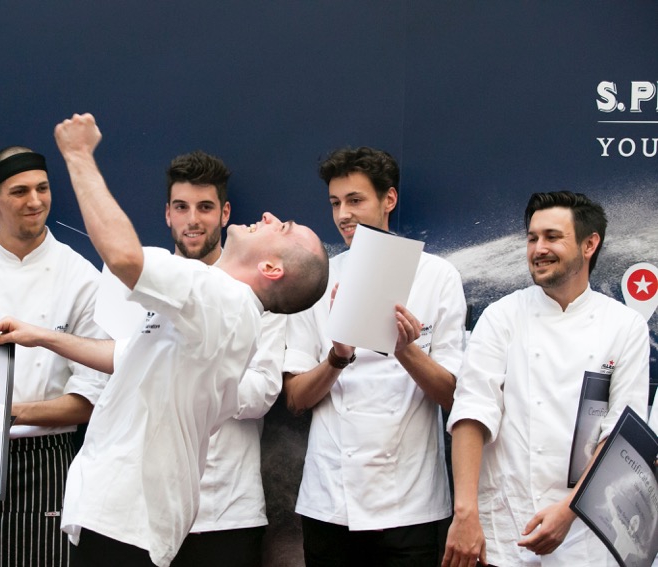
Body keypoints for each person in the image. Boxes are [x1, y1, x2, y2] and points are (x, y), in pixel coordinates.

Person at [0, 112, 329, 567]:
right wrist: (42, 336)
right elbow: (129, 355)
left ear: (271, 268)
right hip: (122, 513)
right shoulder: (220, 307)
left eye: (281, 228)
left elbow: (123, 257)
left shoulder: (220, 298)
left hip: (129, 517)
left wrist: (78, 154)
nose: (268, 217)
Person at [443, 191, 650, 567]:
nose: (538, 249)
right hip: (505, 527)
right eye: (532, 238)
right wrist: (465, 513)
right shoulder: (502, 317)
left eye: (552, 237)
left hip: (585, 535)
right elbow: (473, 411)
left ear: (589, 244)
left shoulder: (625, 326)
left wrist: (568, 511)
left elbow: (619, 436)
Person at [282, 147, 467, 566]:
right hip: (330, 499)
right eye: (335, 203)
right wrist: (338, 357)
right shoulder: (318, 280)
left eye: (355, 200)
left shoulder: (437, 276)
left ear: (389, 199)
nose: (343, 214)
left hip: (411, 503)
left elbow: (455, 397)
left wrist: (405, 350)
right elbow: (294, 400)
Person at [0, 145, 108, 566]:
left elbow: (91, 399)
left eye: (42, 188)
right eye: (20, 191)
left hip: (48, 458)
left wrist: (10, 413)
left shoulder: (83, 278)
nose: (35, 201)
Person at [163, 151, 285, 567]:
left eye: (205, 207)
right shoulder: (143, 284)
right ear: (167, 213)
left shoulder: (261, 292)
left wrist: (185, 375)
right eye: (182, 207)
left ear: (225, 213)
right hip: (148, 508)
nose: (192, 220)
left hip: (229, 509)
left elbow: (262, 392)